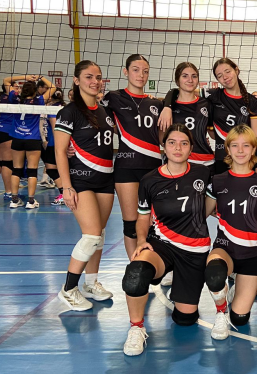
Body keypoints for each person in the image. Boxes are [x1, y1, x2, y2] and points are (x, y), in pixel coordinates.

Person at [120, 124, 214, 356]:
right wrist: (141, 240)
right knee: (135, 275)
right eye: (172, 142)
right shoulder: (149, 180)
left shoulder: (204, 174)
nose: (177, 148)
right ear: (164, 147)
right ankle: (136, 328)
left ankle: (180, 289)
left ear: (191, 148)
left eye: (184, 143)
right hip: (162, 244)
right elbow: (143, 216)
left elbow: (216, 200)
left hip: (194, 250)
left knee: (185, 319)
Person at [54, 60, 115, 311]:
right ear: (77, 80)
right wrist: (66, 187)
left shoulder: (105, 111)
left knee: (99, 235)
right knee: (90, 235)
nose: (95, 81)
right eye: (89, 77)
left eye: (98, 77)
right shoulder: (69, 112)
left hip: (106, 179)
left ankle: (91, 284)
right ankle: (68, 289)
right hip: (80, 180)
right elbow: (60, 151)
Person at [204, 125, 257, 340]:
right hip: (224, 248)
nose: (241, 150)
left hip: (251, 253)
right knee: (214, 275)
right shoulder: (217, 180)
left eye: (246, 145)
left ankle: (235, 290)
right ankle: (220, 313)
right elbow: (201, 213)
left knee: (241, 318)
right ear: (227, 149)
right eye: (235, 145)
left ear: (253, 149)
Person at [102, 55, 164, 259]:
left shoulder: (156, 104)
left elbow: (162, 137)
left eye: (145, 71)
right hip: (126, 167)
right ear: (126, 72)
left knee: (153, 222)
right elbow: (96, 121)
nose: (141, 75)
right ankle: (134, 266)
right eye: (136, 70)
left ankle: (151, 262)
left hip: (154, 168)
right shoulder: (113, 98)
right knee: (131, 224)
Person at [9, 77, 52, 209]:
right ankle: (31, 201)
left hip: (17, 138)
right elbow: (52, 87)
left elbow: (6, 81)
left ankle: (14, 200)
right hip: (32, 139)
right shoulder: (38, 101)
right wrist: (40, 77)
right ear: (35, 91)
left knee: (16, 169)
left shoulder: (15, 99)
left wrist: (25, 77)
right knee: (32, 170)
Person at [162, 63, 215, 168]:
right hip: (177, 161)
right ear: (177, 80)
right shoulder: (167, 106)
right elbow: (162, 137)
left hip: (204, 161)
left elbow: (212, 133)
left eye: (194, 76)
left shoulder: (206, 104)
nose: (190, 80)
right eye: (185, 76)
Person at [39, 90, 65, 205]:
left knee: (51, 169)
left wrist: (58, 146)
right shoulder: (64, 107)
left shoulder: (52, 109)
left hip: (55, 143)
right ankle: (65, 192)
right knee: (59, 169)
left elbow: (56, 128)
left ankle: (64, 193)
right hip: (61, 142)